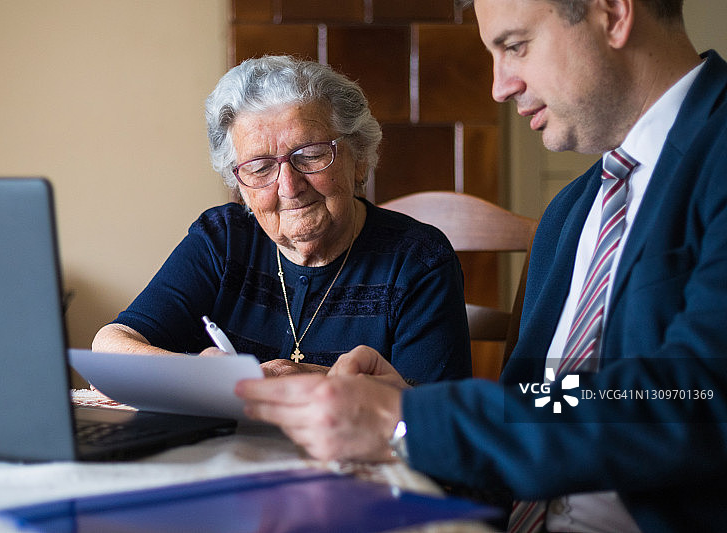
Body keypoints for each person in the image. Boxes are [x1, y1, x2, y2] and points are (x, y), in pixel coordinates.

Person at [235, 1, 727, 531]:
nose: (499, 87)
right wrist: (417, 406)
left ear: (612, 13)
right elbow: (548, 402)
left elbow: (697, 395)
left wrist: (410, 423)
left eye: (515, 46)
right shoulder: (573, 211)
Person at [92, 55, 471, 383]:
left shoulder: (419, 261)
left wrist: (330, 388)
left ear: (360, 159)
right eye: (259, 167)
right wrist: (191, 373)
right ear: (239, 186)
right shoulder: (222, 239)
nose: (288, 186)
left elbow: (437, 415)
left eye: (310, 154)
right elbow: (111, 345)